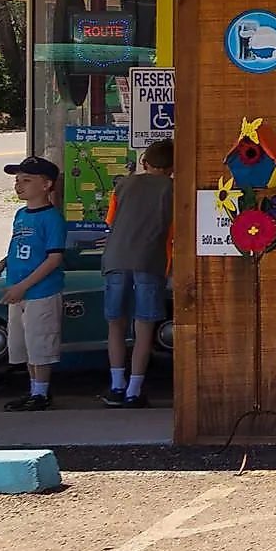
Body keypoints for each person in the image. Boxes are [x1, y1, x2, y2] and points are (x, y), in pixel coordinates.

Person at [0, 154, 67, 411]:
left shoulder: (52, 218)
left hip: (40, 291)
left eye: (27, 180)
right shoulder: (21, 214)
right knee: (24, 343)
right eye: (18, 180)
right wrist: (4, 262)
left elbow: (54, 257)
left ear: (46, 185)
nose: (19, 185)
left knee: (40, 342)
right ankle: (34, 389)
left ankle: (42, 392)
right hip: (18, 289)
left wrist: (24, 286)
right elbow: (21, 245)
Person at [100, 137, 173, 408]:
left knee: (116, 323)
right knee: (143, 326)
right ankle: (134, 389)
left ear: (144, 162)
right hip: (150, 261)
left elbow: (111, 221)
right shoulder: (172, 189)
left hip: (116, 259)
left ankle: (116, 385)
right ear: (173, 167)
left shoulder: (123, 185)